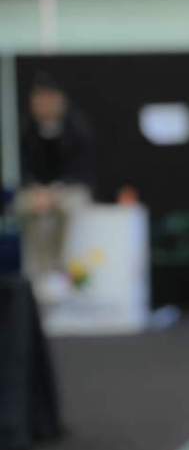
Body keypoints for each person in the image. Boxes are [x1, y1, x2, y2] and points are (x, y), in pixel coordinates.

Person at [16, 74, 96, 302]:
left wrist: (55, 191)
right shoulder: (24, 129)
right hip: (35, 191)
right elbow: (21, 168)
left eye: (49, 99)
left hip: (68, 190)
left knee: (68, 206)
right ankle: (38, 275)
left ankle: (60, 267)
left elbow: (81, 170)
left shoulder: (77, 128)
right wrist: (37, 190)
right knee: (29, 208)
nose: (44, 105)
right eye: (39, 100)